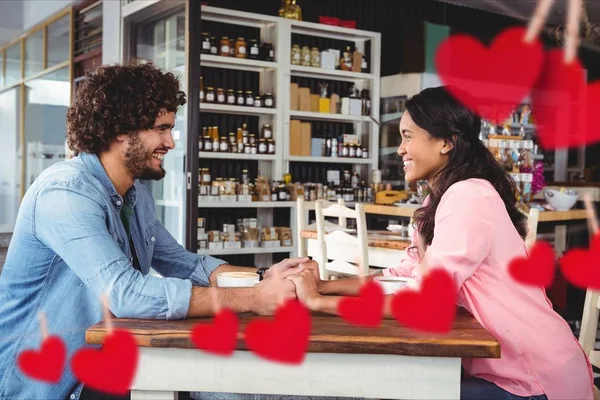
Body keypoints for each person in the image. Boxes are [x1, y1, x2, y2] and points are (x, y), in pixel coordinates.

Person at [0, 61, 308, 400]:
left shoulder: (135, 193)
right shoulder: (65, 192)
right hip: (51, 385)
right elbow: (125, 293)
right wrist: (252, 299)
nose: (170, 143)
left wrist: (263, 278)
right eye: (161, 129)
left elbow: (184, 263)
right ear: (120, 130)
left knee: (236, 384)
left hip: (106, 359)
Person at [287, 86, 595, 400]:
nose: (399, 150)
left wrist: (318, 303)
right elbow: (404, 275)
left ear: (446, 142)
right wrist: (324, 286)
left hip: (535, 380)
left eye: (408, 136)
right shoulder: (443, 196)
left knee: (389, 391)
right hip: (510, 371)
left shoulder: (469, 196)